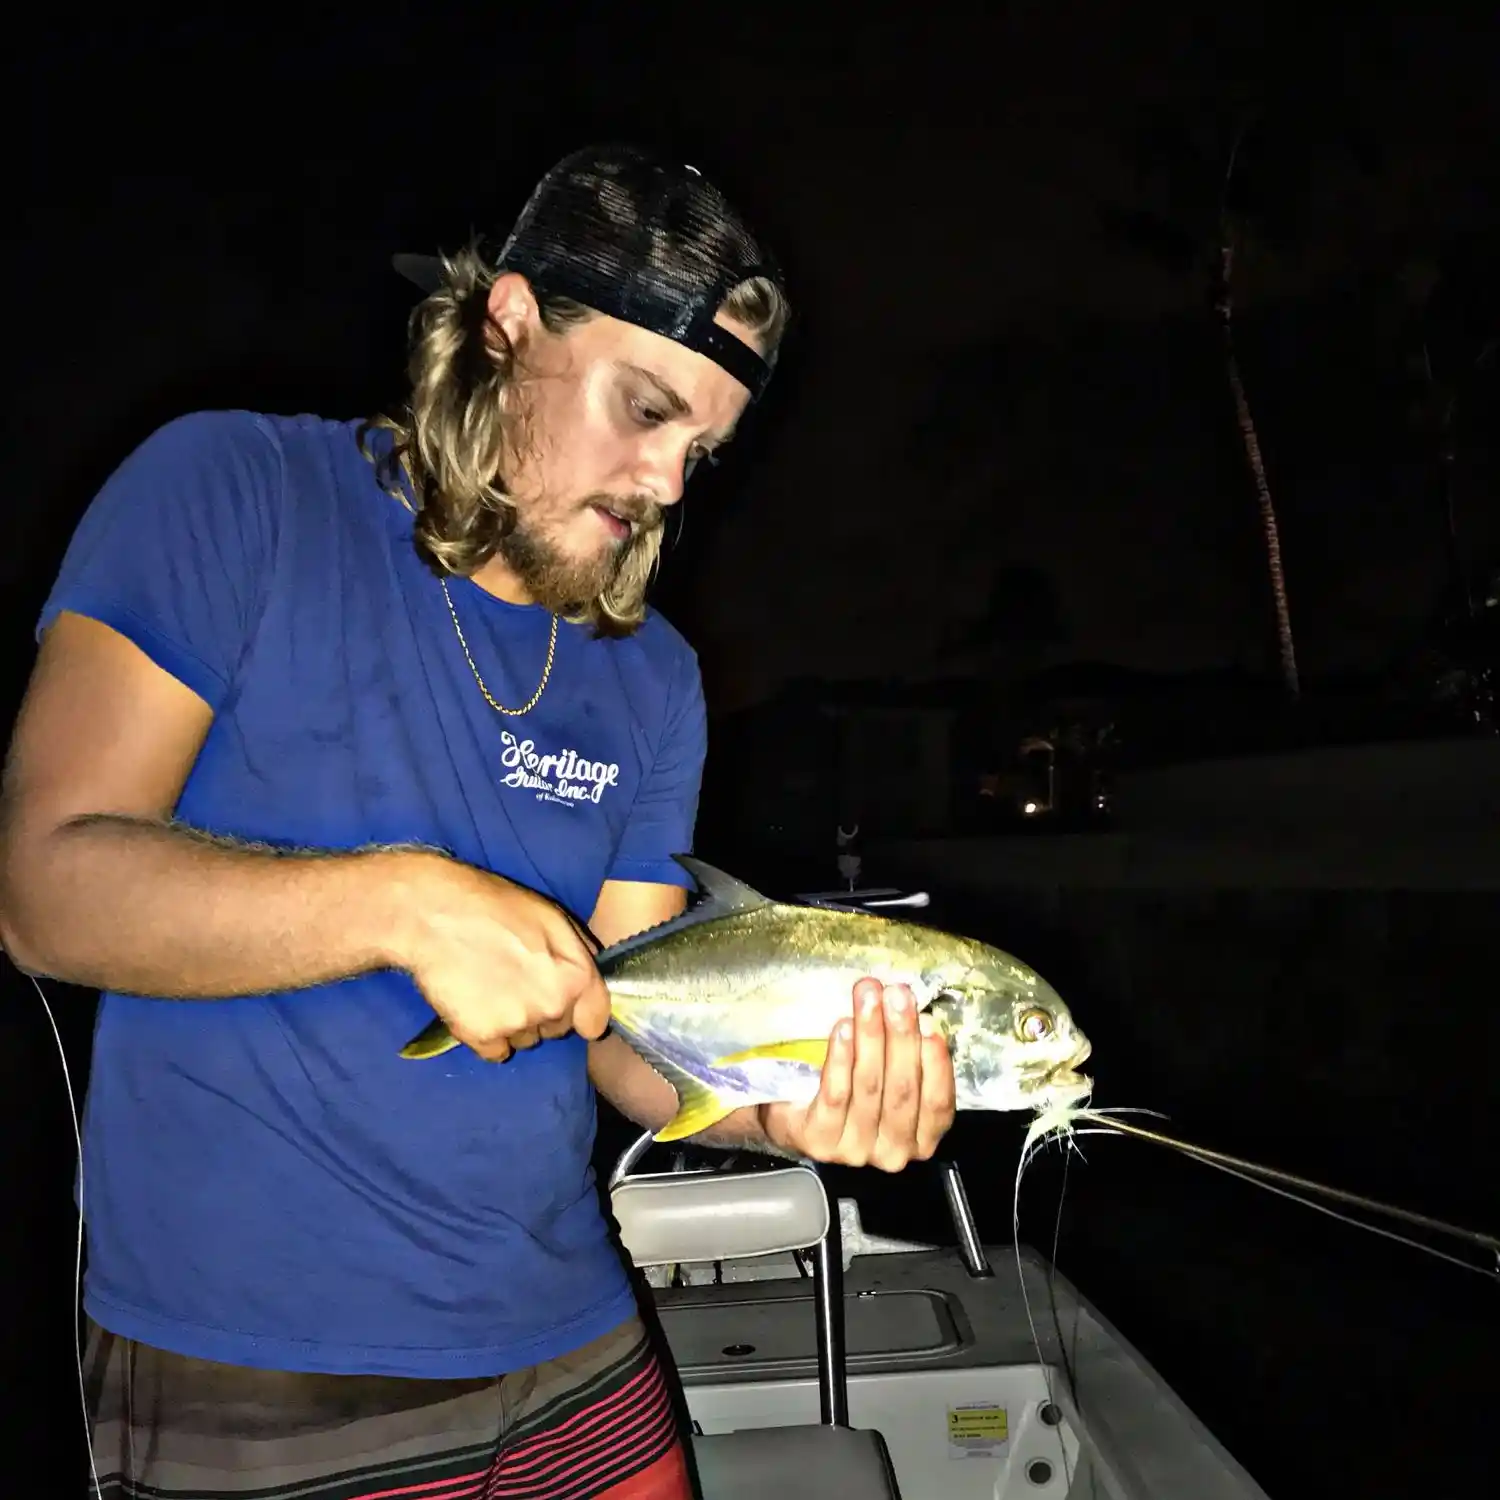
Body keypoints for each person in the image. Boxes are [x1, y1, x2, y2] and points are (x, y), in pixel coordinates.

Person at [0, 145, 957, 1499]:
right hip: (263, 1374)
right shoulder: (229, 494)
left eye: (702, 450)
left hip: (577, 1343)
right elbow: (41, 887)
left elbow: (628, 1040)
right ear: (509, 322)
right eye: (644, 409)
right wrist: (402, 902)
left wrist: (782, 1109)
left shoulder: (655, 676)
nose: (668, 485)